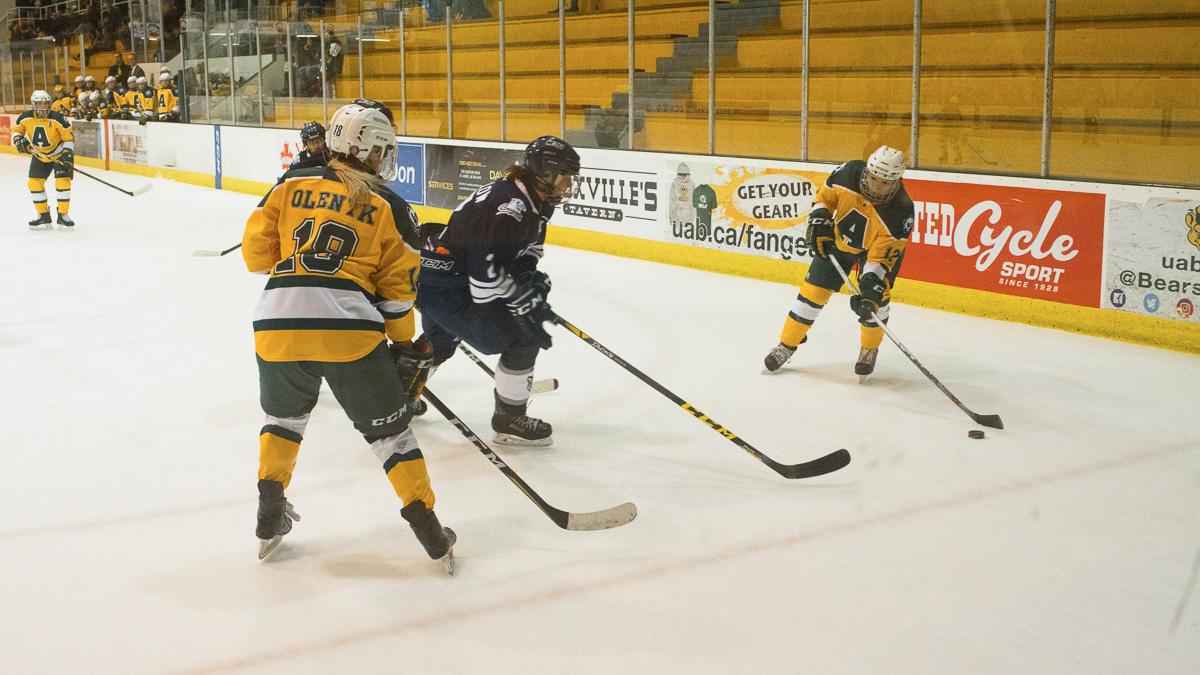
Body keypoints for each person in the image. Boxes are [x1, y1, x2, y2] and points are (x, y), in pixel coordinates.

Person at [240, 102, 455, 571]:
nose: (385, 159)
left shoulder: (289, 184)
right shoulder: (385, 206)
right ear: (368, 149)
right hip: (348, 334)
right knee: (393, 439)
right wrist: (402, 345)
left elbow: (256, 255)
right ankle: (430, 531)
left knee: (284, 422)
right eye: (383, 150)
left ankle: (269, 514)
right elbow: (399, 295)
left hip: (275, 325)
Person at [416, 135, 579, 445]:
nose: (568, 186)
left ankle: (397, 398)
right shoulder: (509, 208)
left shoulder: (531, 200)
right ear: (547, 174)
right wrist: (521, 303)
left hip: (439, 282)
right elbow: (483, 280)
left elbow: (528, 250)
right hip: (452, 288)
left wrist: (526, 277)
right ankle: (509, 418)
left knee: (440, 342)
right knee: (523, 335)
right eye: (565, 178)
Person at [763, 146, 914, 381]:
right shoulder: (848, 173)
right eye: (873, 179)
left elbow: (879, 259)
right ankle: (786, 345)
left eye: (884, 184)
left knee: (876, 303)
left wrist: (870, 288)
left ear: (896, 182)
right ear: (866, 173)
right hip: (839, 243)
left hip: (874, 254)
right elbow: (825, 198)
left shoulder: (901, 211)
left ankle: (869, 349)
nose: (876, 187)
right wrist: (820, 218)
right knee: (810, 296)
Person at [11, 90, 76, 230]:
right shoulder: (25, 117)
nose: (43, 106)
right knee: (34, 183)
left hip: (59, 155)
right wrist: (17, 140)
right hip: (40, 156)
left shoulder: (59, 118)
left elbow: (69, 138)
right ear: (33, 104)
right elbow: (15, 130)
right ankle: (43, 216)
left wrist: (67, 154)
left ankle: (63, 215)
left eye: (46, 103)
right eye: (39, 103)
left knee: (62, 182)